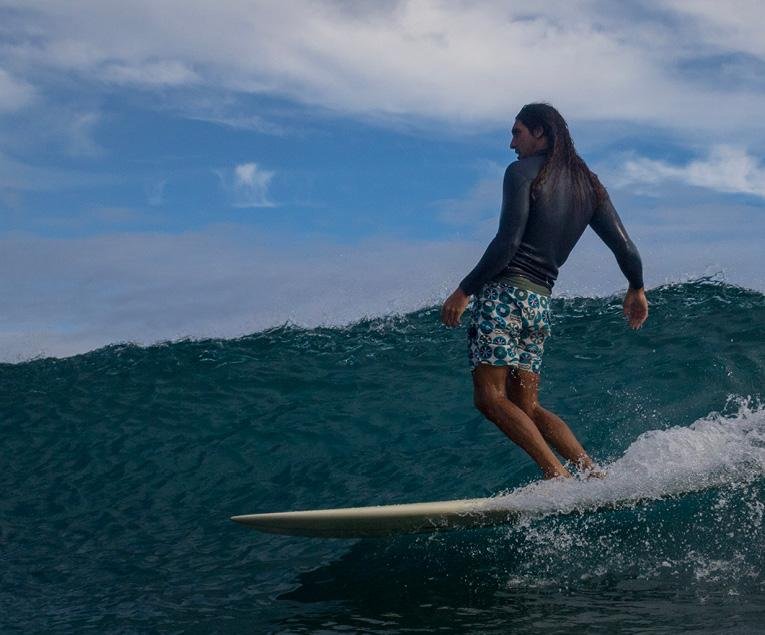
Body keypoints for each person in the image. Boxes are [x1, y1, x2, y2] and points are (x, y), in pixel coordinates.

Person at [440, 103, 648, 479]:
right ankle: (591, 474)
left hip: (504, 297)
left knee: (490, 398)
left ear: (541, 132)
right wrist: (636, 288)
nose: (511, 144)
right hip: (540, 303)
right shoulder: (590, 186)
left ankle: (557, 476)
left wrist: (464, 290)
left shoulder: (521, 173)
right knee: (527, 404)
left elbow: (507, 243)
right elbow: (626, 248)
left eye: (517, 132)